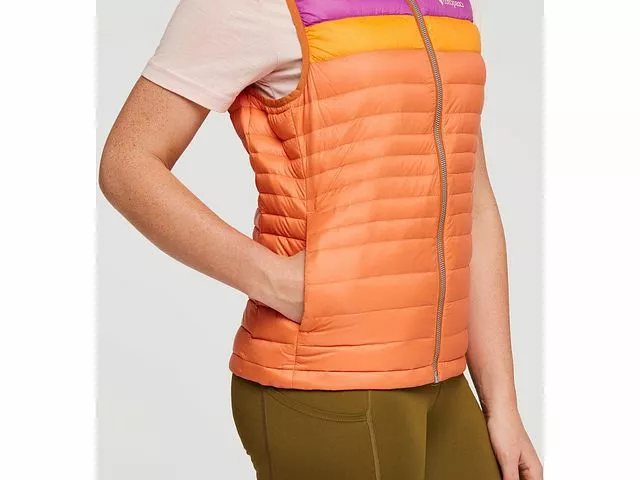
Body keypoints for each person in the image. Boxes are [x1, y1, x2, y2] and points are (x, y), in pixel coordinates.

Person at [99, 0, 542, 478]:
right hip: (325, 377)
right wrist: (277, 281)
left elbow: (471, 201)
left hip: (443, 379)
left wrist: (503, 403)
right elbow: (128, 162)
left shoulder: (450, 6)